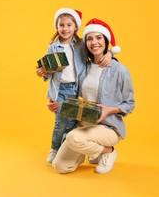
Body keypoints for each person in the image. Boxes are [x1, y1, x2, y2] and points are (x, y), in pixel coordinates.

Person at [50, 18, 135, 174]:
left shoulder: (119, 70)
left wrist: (109, 110)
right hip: (83, 124)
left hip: (107, 127)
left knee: (73, 138)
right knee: (60, 166)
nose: (94, 42)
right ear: (85, 43)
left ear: (106, 40)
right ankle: (90, 152)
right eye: (89, 38)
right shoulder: (84, 68)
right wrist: (57, 103)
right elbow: (72, 93)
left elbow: (129, 104)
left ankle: (108, 151)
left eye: (99, 37)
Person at [36, 9, 113, 164]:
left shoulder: (80, 46)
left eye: (69, 25)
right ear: (56, 27)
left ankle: (75, 149)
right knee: (61, 122)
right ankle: (55, 148)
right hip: (60, 90)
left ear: (75, 27)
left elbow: (97, 51)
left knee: (73, 122)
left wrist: (110, 53)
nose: (65, 28)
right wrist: (42, 73)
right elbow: (48, 72)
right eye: (61, 25)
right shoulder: (53, 47)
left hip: (77, 89)